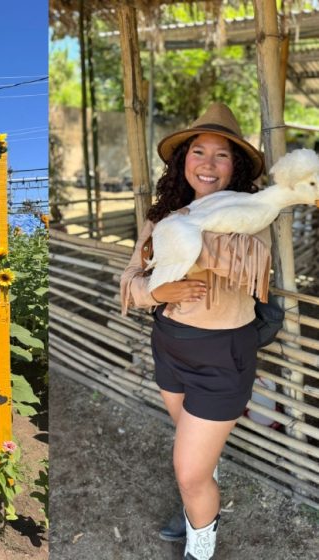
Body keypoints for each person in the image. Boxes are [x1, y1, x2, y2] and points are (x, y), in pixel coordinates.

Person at [120, 103, 270, 560]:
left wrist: (187, 246)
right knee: (195, 462)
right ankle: (195, 501)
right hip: (169, 345)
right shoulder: (161, 216)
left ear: (237, 166)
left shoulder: (253, 217)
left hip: (222, 353)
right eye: (198, 151)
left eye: (221, 155)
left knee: (187, 470)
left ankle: (199, 547)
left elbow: (242, 259)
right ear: (183, 159)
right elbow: (129, 284)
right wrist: (158, 292)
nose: (207, 163)